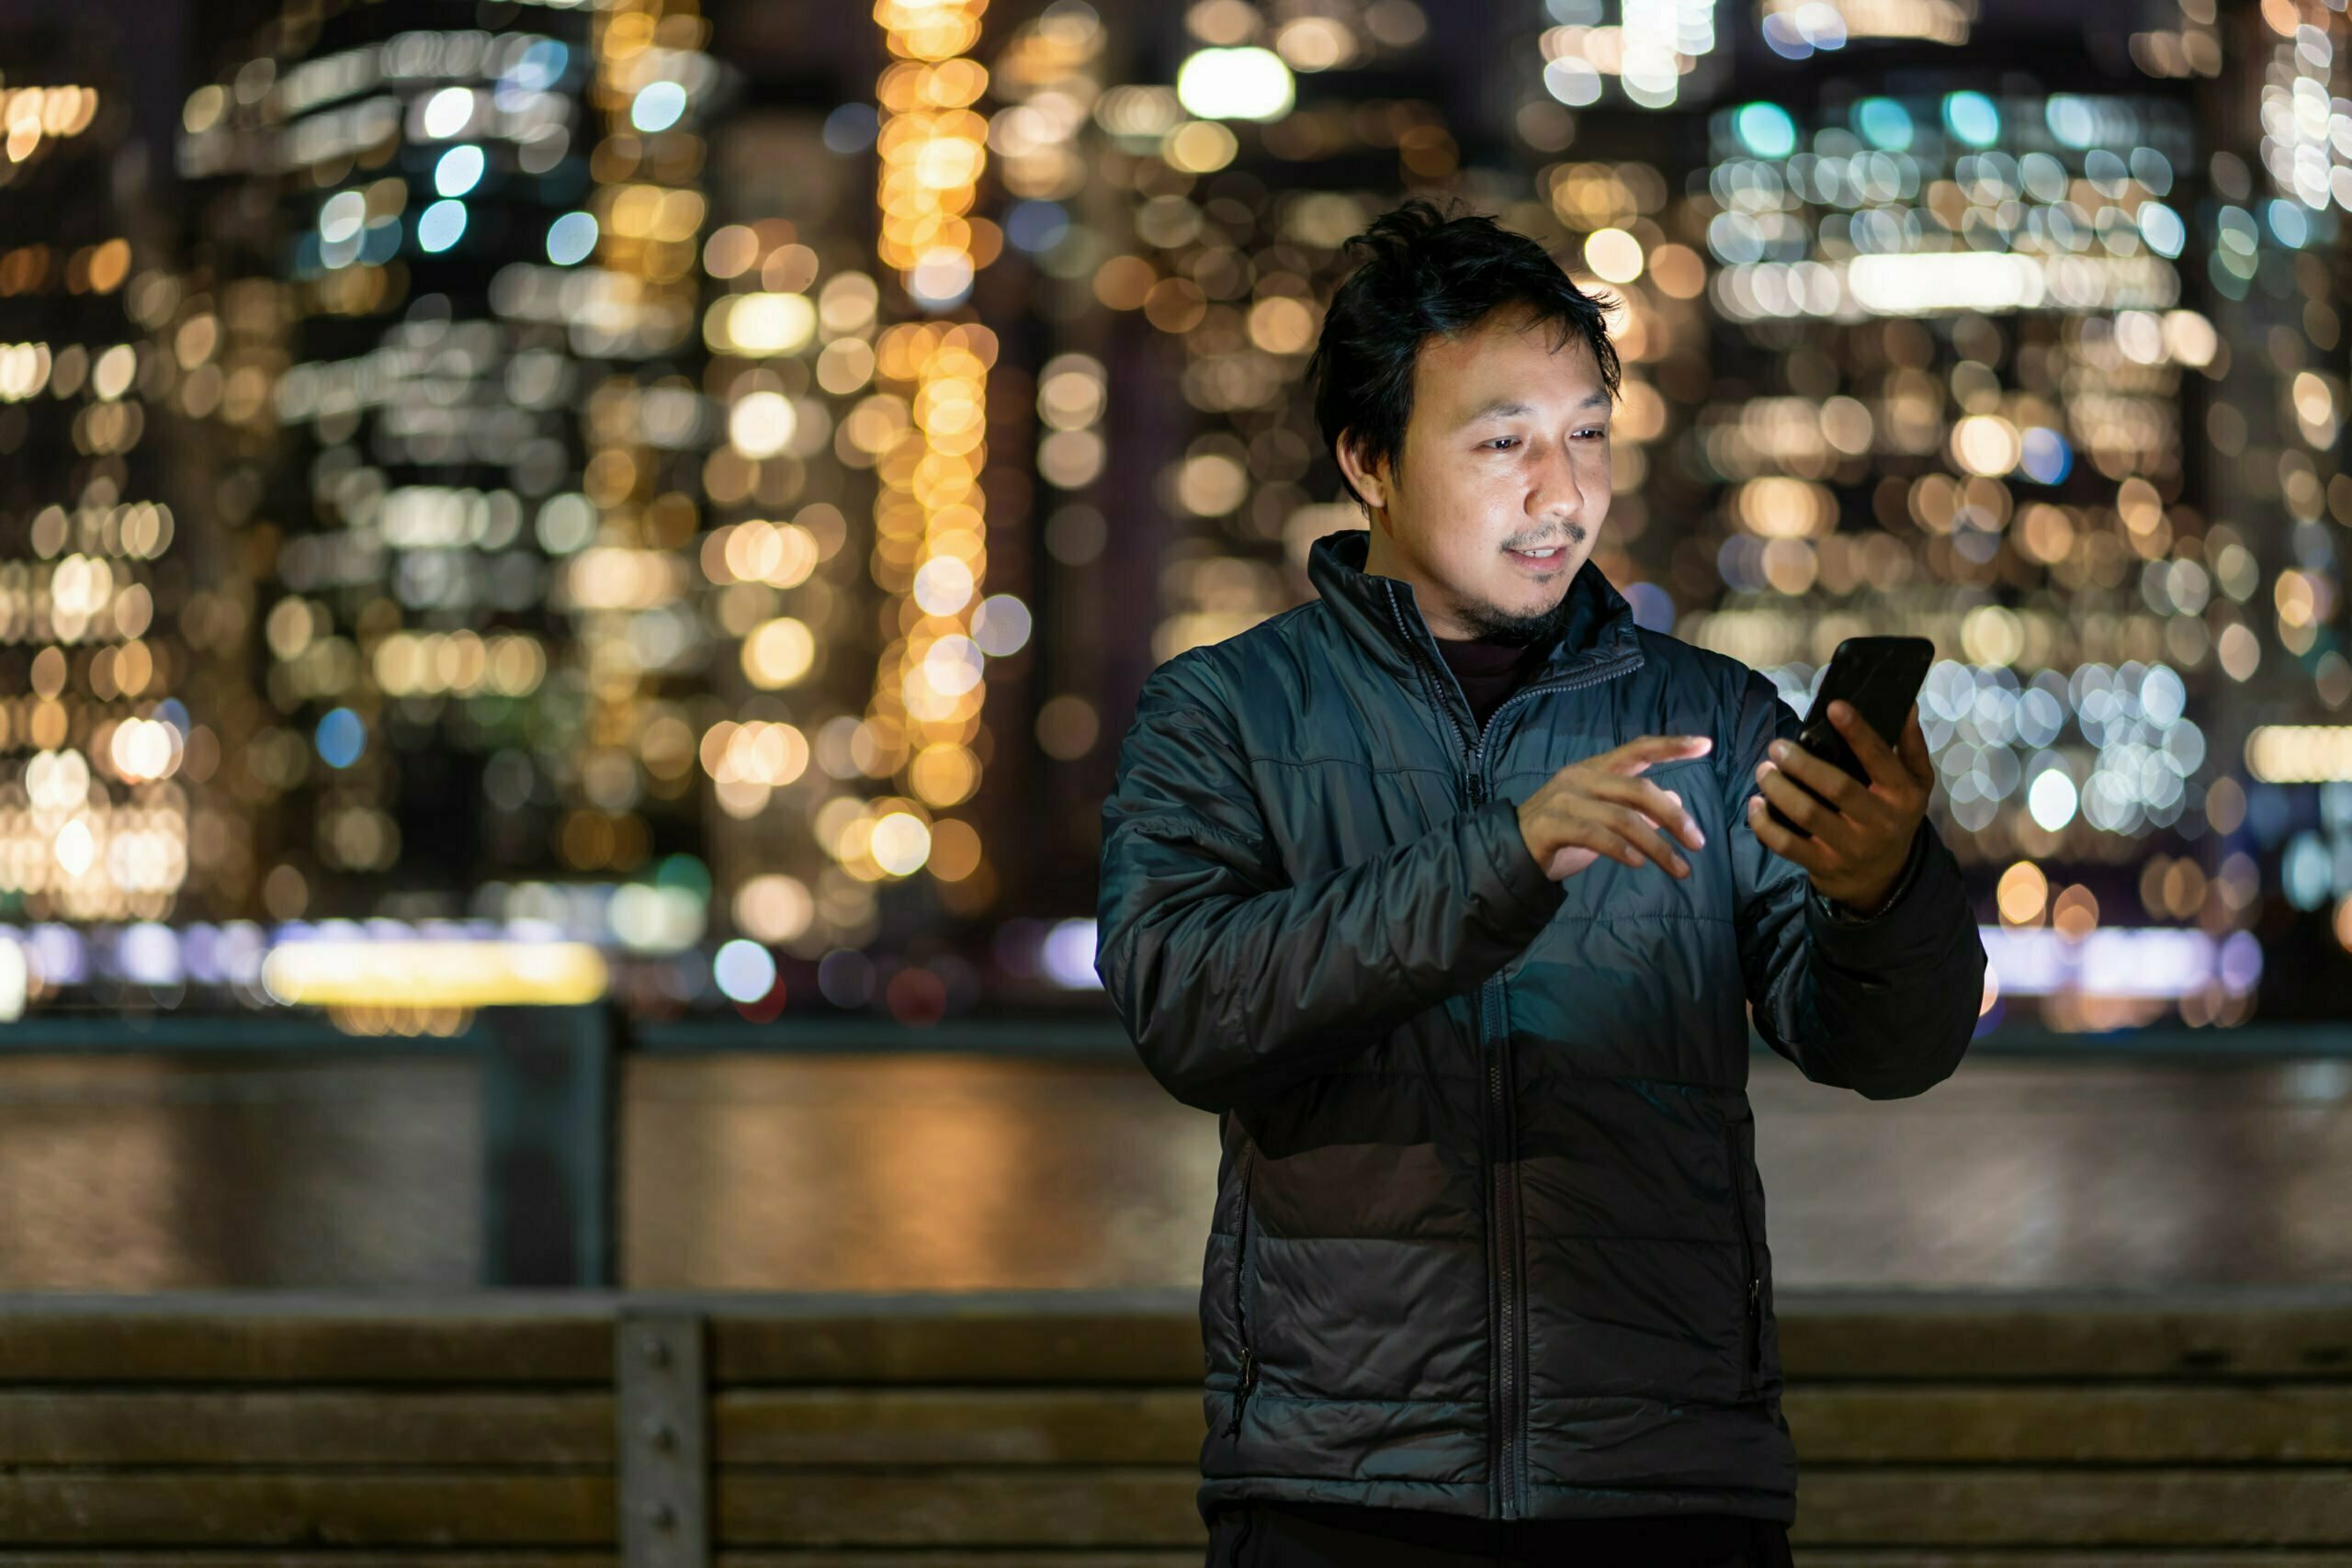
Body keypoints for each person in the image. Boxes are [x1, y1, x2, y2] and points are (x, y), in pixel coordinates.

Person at [1092, 197, 1989, 1566]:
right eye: (1502, 442)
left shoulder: (1714, 718)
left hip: (1668, 1482)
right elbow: (1191, 1010)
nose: (1558, 493)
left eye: (1584, 437)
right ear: (1369, 460)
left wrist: (1884, 892)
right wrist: (1503, 860)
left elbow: (1888, 1054)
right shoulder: (1223, 716)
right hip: (1343, 1492)